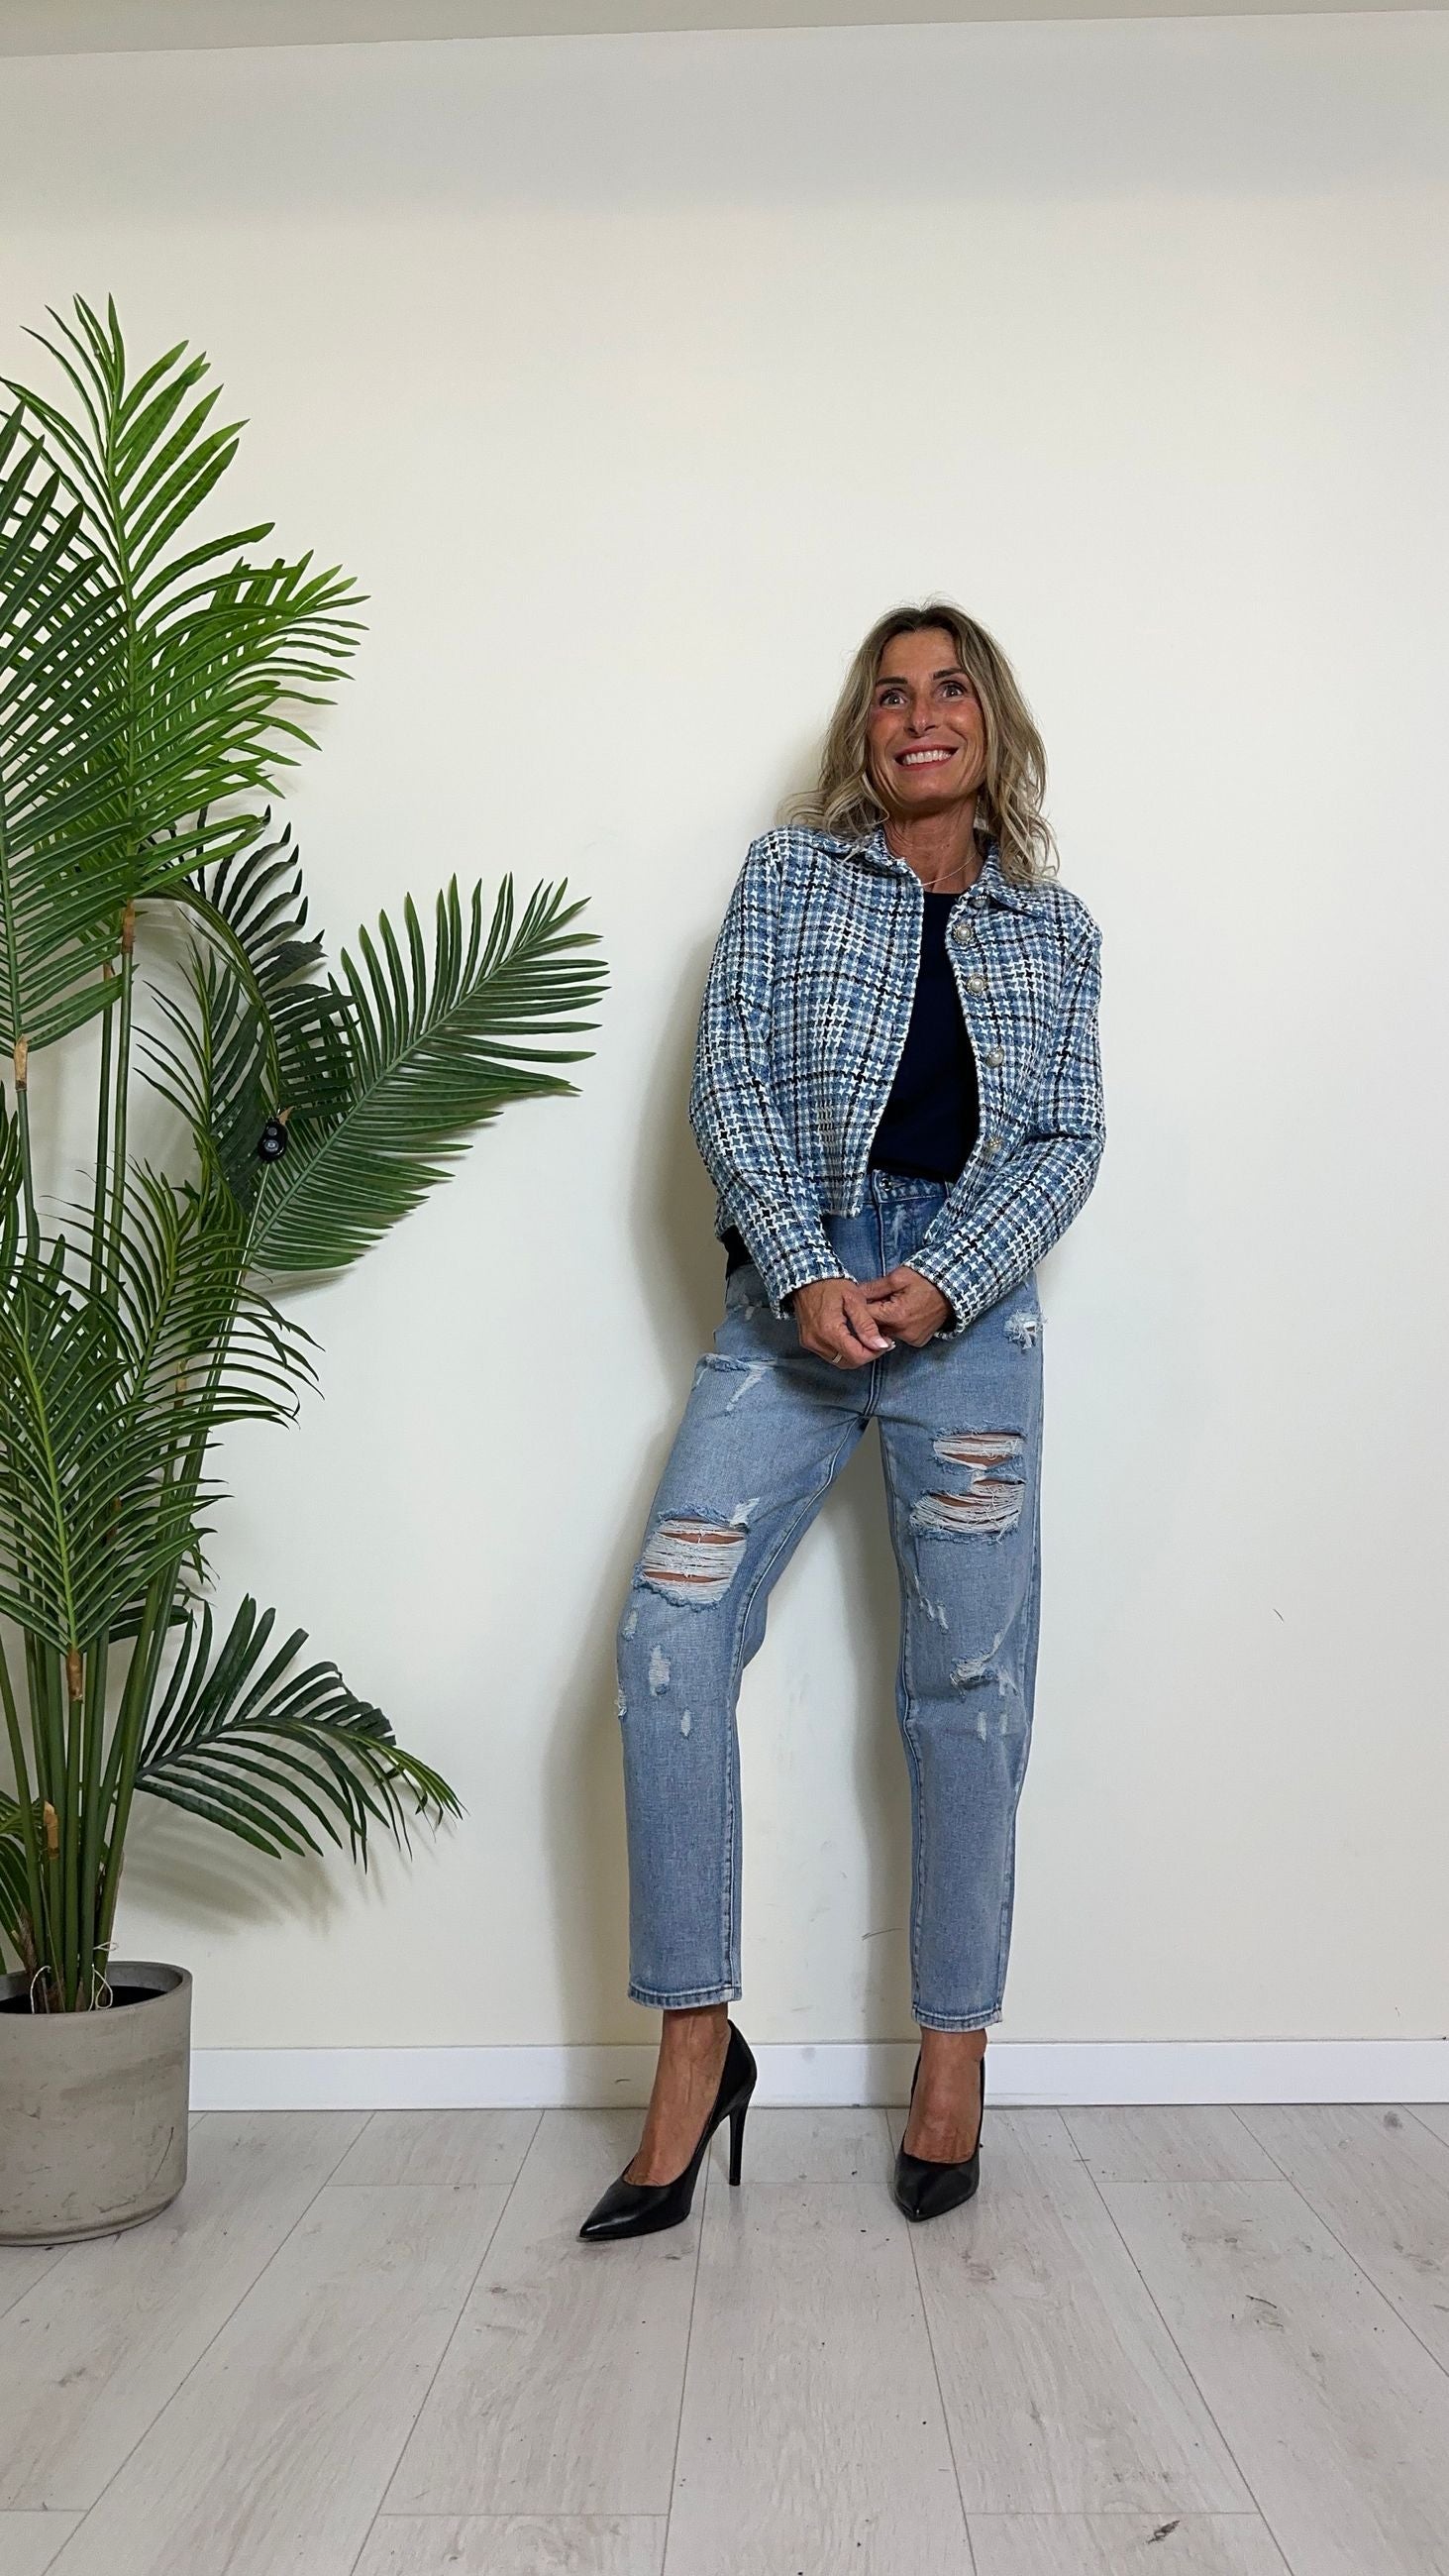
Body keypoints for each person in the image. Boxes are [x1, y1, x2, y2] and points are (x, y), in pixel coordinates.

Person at [579, 599, 1105, 2241]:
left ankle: (954, 2056)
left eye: (950, 690)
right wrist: (805, 1267)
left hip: (970, 1314)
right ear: (861, 733)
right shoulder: (787, 879)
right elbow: (727, 1081)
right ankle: (695, 2045)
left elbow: (1069, 1138)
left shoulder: (1058, 932)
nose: (919, 714)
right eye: (890, 694)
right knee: (668, 1637)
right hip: (788, 1305)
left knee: (967, 1688)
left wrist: (946, 1281)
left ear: (992, 726)